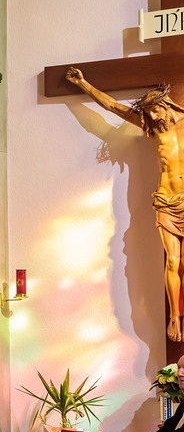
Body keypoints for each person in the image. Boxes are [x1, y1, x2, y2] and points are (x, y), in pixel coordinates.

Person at [66, 68, 184, 341]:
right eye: (148, 114)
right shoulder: (151, 129)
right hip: (165, 202)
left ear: (167, 105)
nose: (152, 117)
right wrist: (83, 84)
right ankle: (174, 316)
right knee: (172, 261)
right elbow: (112, 107)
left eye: (155, 111)